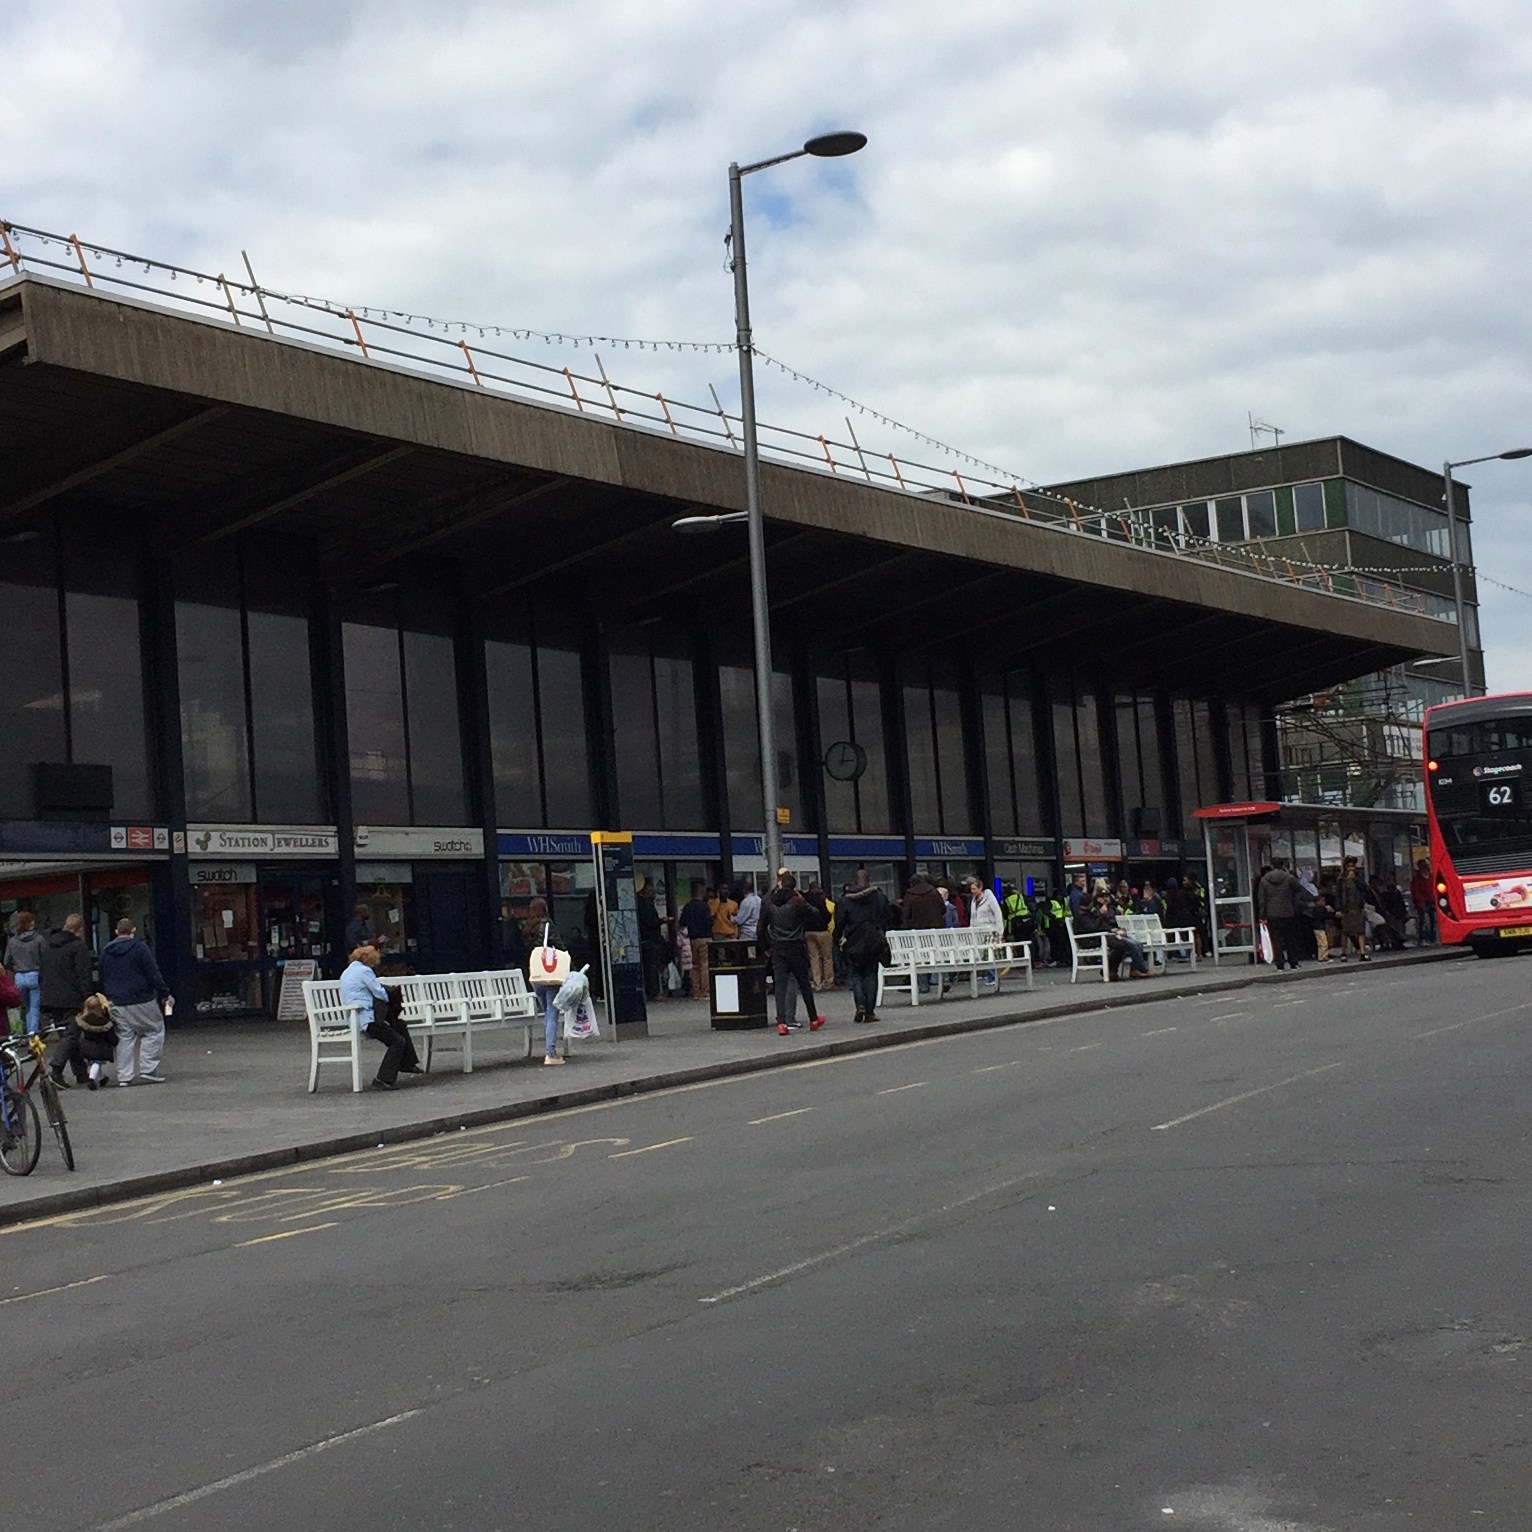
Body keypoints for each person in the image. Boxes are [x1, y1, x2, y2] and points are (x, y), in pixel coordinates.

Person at [99, 917, 173, 1085]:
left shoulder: (106, 951)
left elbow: (102, 976)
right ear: (133, 931)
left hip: (115, 1001)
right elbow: (153, 973)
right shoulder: (140, 948)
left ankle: (124, 1076)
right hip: (141, 998)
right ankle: (148, 1069)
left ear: (116, 932)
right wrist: (164, 993)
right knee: (154, 1030)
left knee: (124, 1036)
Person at [339, 944, 422, 1090]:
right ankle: (383, 1079)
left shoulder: (348, 971)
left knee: (399, 1025)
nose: (376, 962)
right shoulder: (364, 971)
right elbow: (379, 992)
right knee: (397, 1041)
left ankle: (407, 1063)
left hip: (355, 1018)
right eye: (374, 959)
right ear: (368, 959)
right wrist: (389, 996)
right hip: (366, 1019)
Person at [761, 873, 825, 1036]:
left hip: (778, 948)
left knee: (780, 986)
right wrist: (802, 900)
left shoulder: (769, 903)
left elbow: (760, 928)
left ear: (781, 885)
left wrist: (766, 947)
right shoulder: (797, 901)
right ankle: (813, 1018)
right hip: (796, 946)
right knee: (804, 984)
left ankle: (782, 1023)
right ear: (794, 887)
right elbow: (815, 914)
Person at [42, 914, 94, 1086]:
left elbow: (43, 972)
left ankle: (81, 1073)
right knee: (71, 1035)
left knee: (67, 1035)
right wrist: (87, 997)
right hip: (72, 997)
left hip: (52, 998)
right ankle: (56, 1070)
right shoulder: (77, 947)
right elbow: (84, 974)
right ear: (80, 929)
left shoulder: (49, 945)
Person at [837, 870, 891, 1024]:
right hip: (873, 939)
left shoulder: (845, 899)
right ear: (868, 880)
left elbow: (840, 921)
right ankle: (870, 1012)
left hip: (853, 940)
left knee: (855, 974)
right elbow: (888, 915)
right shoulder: (878, 896)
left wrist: (838, 938)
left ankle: (860, 1004)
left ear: (854, 880)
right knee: (871, 974)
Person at [523, 898, 568, 1065]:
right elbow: (559, 946)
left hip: (536, 974)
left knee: (547, 1013)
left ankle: (550, 1050)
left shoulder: (528, 927)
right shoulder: (547, 924)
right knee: (552, 1013)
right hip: (551, 973)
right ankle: (550, 1053)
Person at [1073, 891, 1153, 979]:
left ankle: (1114, 970)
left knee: (1132, 944)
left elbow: (1099, 926)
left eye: (1107, 896)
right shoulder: (1084, 914)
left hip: (1102, 935)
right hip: (1091, 940)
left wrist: (1115, 929)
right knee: (1124, 945)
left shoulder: (1107, 910)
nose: (1106, 899)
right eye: (1103, 897)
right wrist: (1102, 916)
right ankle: (1138, 969)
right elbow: (1093, 927)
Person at [1256, 857, 1305, 972]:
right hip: (1288, 911)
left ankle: (1280, 964)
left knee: (1276, 939)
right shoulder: (1289, 878)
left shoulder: (1264, 880)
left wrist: (1262, 916)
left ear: (1272, 865)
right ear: (1283, 865)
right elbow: (1299, 890)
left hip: (1272, 913)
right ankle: (1293, 963)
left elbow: (1261, 899)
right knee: (1290, 938)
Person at [900, 872, 946, 995]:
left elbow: (906, 914)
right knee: (937, 955)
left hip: (917, 931)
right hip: (935, 930)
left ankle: (924, 985)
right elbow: (943, 909)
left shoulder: (910, 895)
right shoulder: (933, 892)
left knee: (919, 958)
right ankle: (941, 979)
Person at [5, 911, 45, 1036]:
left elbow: (6, 961)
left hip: (19, 977)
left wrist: (16, 967)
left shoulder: (12, 941)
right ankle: (32, 1034)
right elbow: (46, 958)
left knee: (25, 1008)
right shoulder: (39, 939)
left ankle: (24, 1032)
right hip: (35, 974)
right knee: (34, 1008)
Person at [965, 876, 1004, 990]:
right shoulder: (973, 900)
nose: (972, 892)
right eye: (971, 889)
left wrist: (1000, 931)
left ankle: (992, 977)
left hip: (990, 930)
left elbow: (997, 913)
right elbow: (973, 917)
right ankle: (989, 975)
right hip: (977, 931)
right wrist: (971, 929)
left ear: (980, 888)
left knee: (990, 953)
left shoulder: (990, 899)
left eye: (974, 889)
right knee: (983, 954)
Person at [1332, 857, 1374, 961]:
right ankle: (1343, 953)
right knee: (1345, 931)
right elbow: (1338, 895)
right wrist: (1338, 909)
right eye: (1349, 866)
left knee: (1360, 931)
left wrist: (1355, 879)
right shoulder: (1341, 880)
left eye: (1352, 866)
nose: (1351, 869)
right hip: (1346, 908)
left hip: (1357, 907)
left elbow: (1365, 888)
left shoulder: (1358, 878)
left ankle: (1363, 952)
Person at [679, 884, 714, 1000]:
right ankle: (705, 992)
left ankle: (696, 992)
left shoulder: (688, 906)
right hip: (705, 937)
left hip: (693, 938)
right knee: (705, 965)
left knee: (695, 966)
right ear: (701, 893)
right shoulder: (705, 906)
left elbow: (682, 922)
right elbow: (710, 922)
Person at [802, 883, 834, 992]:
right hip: (822, 931)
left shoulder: (805, 900)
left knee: (813, 958)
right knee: (827, 957)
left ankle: (817, 984)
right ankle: (828, 982)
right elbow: (827, 915)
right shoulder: (821, 899)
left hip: (808, 932)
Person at [636, 884, 665, 1001]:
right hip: (650, 939)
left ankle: (649, 992)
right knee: (652, 967)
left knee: (647, 968)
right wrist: (662, 920)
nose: (655, 895)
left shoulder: (639, 904)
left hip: (643, 939)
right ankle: (653, 992)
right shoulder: (647, 905)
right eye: (653, 892)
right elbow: (651, 922)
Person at [1410, 858, 1436, 946]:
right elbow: (1416, 891)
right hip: (1422, 903)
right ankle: (1423, 938)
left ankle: (1432, 938)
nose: (1426, 867)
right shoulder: (1417, 879)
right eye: (1424, 866)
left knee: (1433, 921)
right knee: (1423, 921)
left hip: (1432, 902)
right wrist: (1421, 902)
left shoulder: (1431, 876)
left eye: (1427, 866)